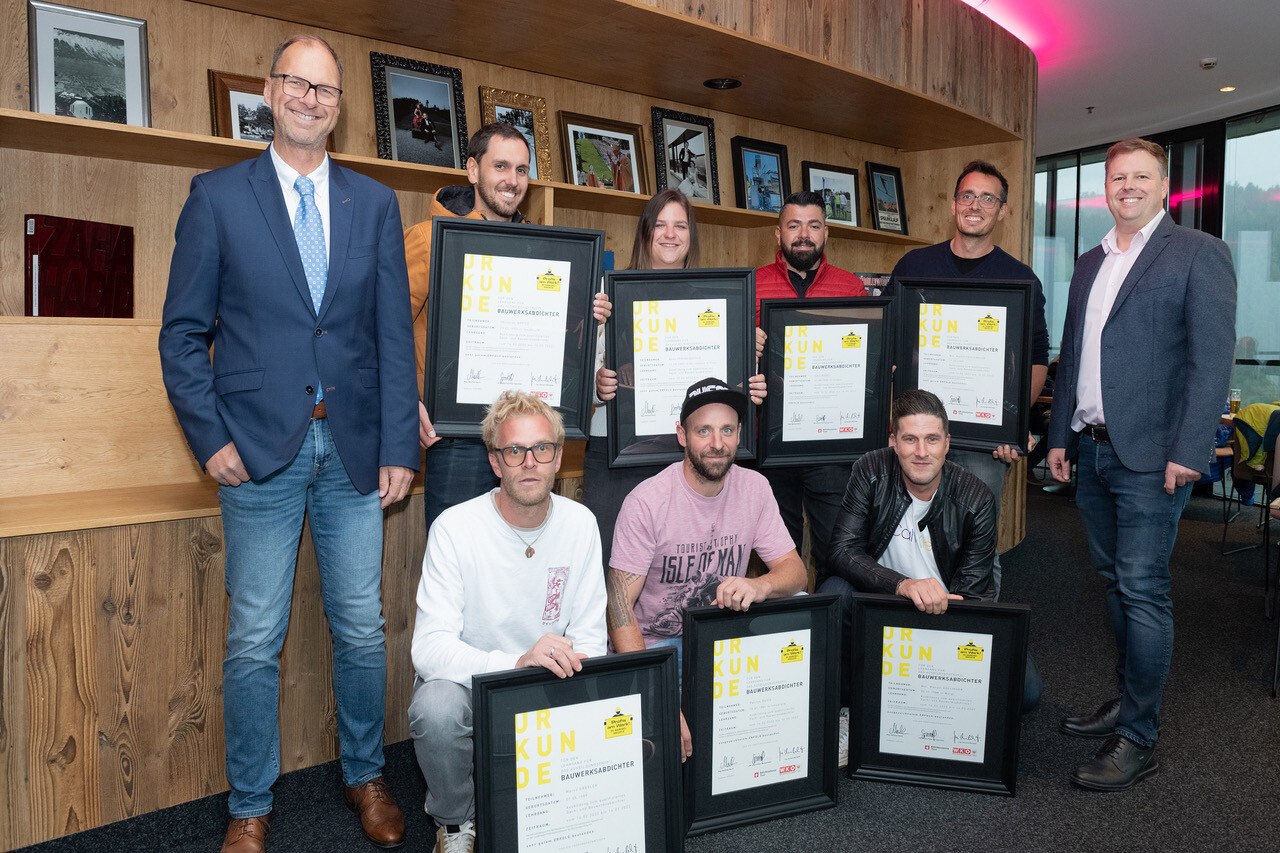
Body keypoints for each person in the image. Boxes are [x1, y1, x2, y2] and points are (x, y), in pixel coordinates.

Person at [159, 35, 418, 853]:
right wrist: (210, 441)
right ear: (270, 93)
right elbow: (181, 336)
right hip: (256, 453)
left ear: (340, 108)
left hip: (351, 452)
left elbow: (388, 337)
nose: (311, 99)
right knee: (254, 637)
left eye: (326, 90)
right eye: (297, 84)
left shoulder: (373, 205)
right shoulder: (217, 197)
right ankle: (249, 803)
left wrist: (398, 446)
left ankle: (366, 774)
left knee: (363, 628)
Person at [1047, 137, 1236, 791]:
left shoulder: (1198, 253)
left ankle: (1139, 736)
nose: (1127, 185)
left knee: (1142, 586)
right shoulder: (1088, 262)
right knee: (1113, 581)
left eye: (1141, 175)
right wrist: (1059, 436)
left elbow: (1211, 360)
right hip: (1093, 448)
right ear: (1107, 187)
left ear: (1164, 188)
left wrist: (1190, 448)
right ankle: (1128, 699)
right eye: (1117, 176)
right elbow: (1072, 358)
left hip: (1155, 457)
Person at [409, 391, 606, 853]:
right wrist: (515, 663)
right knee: (435, 709)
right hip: (479, 684)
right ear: (495, 462)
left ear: (558, 457)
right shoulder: (455, 528)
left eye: (541, 449)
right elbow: (429, 647)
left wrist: (553, 675)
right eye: (514, 451)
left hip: (551, 682)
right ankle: (456, 823)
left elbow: (592, 637)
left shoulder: (581, 523)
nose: (529, 463)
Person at [605, 378, 808, 760]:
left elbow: (796, 572)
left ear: (739, 434)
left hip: (723, 639)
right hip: (659, 646)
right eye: (704, 430)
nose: (717, 443)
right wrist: (657, 691)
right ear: (682, 435)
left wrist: (759, 585)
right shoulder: (647, 502)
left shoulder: (755, 488)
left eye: (727, 430)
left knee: (798, 619)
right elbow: (618, 609)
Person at [826, 390, 1042, 718]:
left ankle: (923, 695)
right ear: (893, 442)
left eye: (932, 439)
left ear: (947, 443)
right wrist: (903, 585)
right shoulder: (870, 471)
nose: (922, 452)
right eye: (910, 439)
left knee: (1026, 692)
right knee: (835, 593)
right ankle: (851, 708)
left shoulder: (976, 498)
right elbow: (842, 551)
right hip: (882, 603)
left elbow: (973, 594)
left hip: (943, 612)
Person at [890, 160, 1051, 595]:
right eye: (967, 196)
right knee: (907, 540)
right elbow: (890, 344)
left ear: (1002, 211)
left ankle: (977, 649)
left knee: (977, 549)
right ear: (954, 205)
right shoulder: (912, 267)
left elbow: (1038, 358)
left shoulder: (1021, 280)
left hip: (984, 445)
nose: (975, 205)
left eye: (987, 198)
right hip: (917, 437)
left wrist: (1013, 424)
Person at [590, 191, 766, 566]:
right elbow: (580, 374)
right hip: (616, 449)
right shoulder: (609, 297)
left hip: (683, 452)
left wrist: (749, 366)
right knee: (613, 564)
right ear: (646, 232)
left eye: (680, 225)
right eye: (661, 224)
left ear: (691, 236)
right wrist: (598, 385)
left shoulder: (717, 303)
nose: (670, 234)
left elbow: (729, 384)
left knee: (681, 567)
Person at [404, 123, 531, 531]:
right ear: (473, 171)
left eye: (522, 170)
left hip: (524, 437)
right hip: (456, 438)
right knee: (455, 567)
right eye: (501, 166)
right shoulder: (428, 240)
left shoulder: (539, 249)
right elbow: (381, 330)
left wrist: (586, 313)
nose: (512, 181)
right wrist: (408, 401)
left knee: (518, 564)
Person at [753, 190, 868, 587]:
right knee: (775, 560)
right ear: (778, 233)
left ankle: (832, 636)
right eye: (794, 225)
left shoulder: (851, 288)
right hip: (769, 443)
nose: (804, 234)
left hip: (830, 446)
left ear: (826, 233)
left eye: (814, 225)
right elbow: (734, 365)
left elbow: (866, 368)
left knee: (837, 552)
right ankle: (785, 638)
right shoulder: (753, 285)